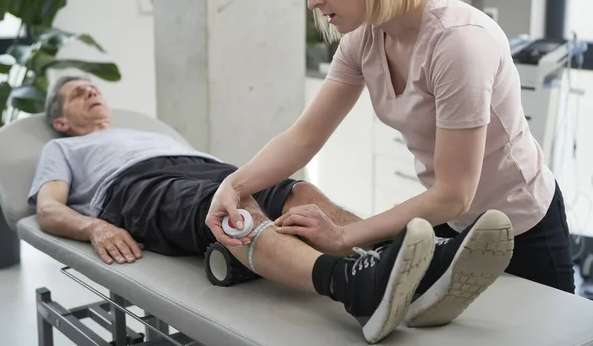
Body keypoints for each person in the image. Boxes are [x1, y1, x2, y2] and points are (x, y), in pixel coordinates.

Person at [30, 76, 511, 343]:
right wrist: (93, 226)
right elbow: (48, 210)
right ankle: (353, 286)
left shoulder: (150, 130)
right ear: (61, 120)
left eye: (93, 87)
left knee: (295, 193)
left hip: (203, 167)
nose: (92, 91)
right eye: (78, 93)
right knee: (232, 213)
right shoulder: (64, 151)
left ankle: (407, 256)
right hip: (136, 186)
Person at [207, 0, 575, 296]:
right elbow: (304, 137)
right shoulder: (365, 40)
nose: (312, 1)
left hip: (524, 228)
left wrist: (343, 237)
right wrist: (233, 186)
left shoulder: (457, 44)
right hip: (454, 221)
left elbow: (453, 193)